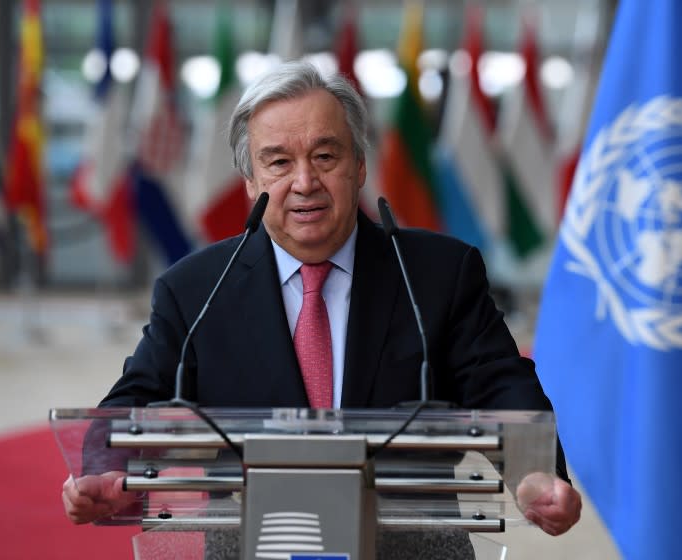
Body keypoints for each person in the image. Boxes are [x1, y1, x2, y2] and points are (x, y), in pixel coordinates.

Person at [62, 60, 581, 550]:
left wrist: (534, 472)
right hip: (249, 544)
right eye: (279, 161)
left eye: (325, 156)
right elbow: (136, 396)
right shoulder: (196, 288)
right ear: (251, 182)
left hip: (414, 547)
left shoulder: (436, 273)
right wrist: (108, 467)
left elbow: (500, 382)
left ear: (358, 166)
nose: (304, 182)